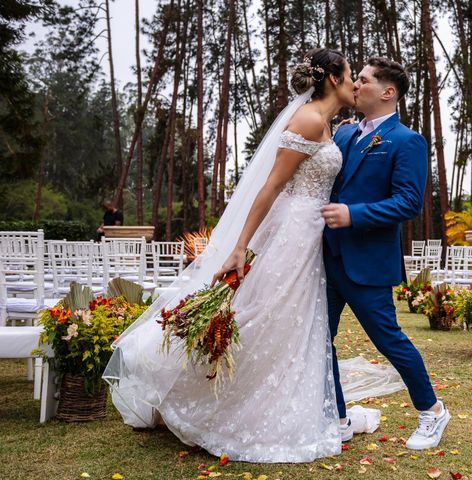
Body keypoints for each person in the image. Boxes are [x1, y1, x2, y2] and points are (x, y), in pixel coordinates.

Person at [103, 48, 356, 463]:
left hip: (310, 232)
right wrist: (239, 247)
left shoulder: (324, 122)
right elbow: (271, 187)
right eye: (349, 75)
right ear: (331, 77)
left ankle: (276, 400)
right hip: (292, 231)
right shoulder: (309, 119)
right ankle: (216, 400)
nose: (353, 83)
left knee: (288, 322)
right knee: (267, 316)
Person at [321, 57, 450, 450]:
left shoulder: (407, 141)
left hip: (368, 263)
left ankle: (432, 411)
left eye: (362, 80)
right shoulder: (343, 134)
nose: (354, 85)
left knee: (389, 340)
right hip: (327, 259)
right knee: (319, 341)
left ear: (387, 92)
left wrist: (353, 215)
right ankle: (339, 418)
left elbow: (410, 203)